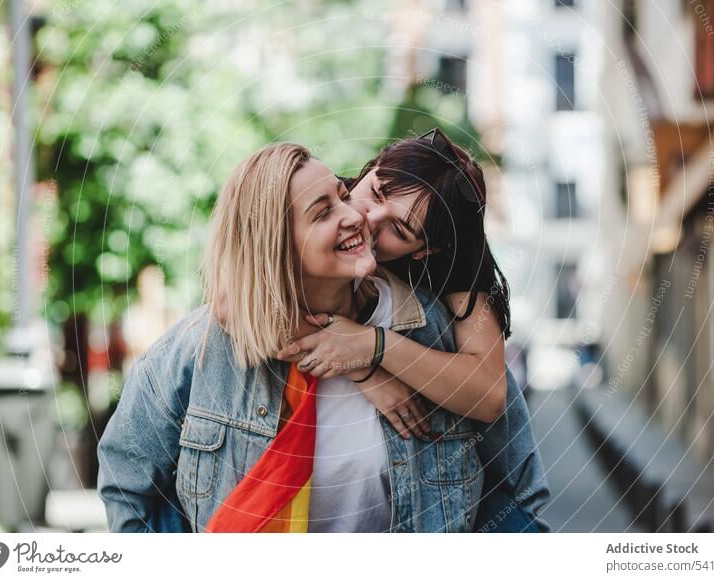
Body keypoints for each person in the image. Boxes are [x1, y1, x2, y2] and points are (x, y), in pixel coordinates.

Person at [97, 143, 490, 532]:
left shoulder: (435, 326)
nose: (359, 216)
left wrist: (373, 348)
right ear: (277, 243)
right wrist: (364, 371)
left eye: (340, 196)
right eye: (324, 211)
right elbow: (127, 486)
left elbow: (514, 478)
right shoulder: (198, 351)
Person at [276, 129, 550, 532]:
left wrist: (375, 347)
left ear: (422, 251)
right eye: (377, 191)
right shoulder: (328, 201)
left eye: (399, 231)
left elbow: (490, 395)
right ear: (372, 168)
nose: (367, 218)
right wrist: (364, 373)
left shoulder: (451, 276)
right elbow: (239, 295)